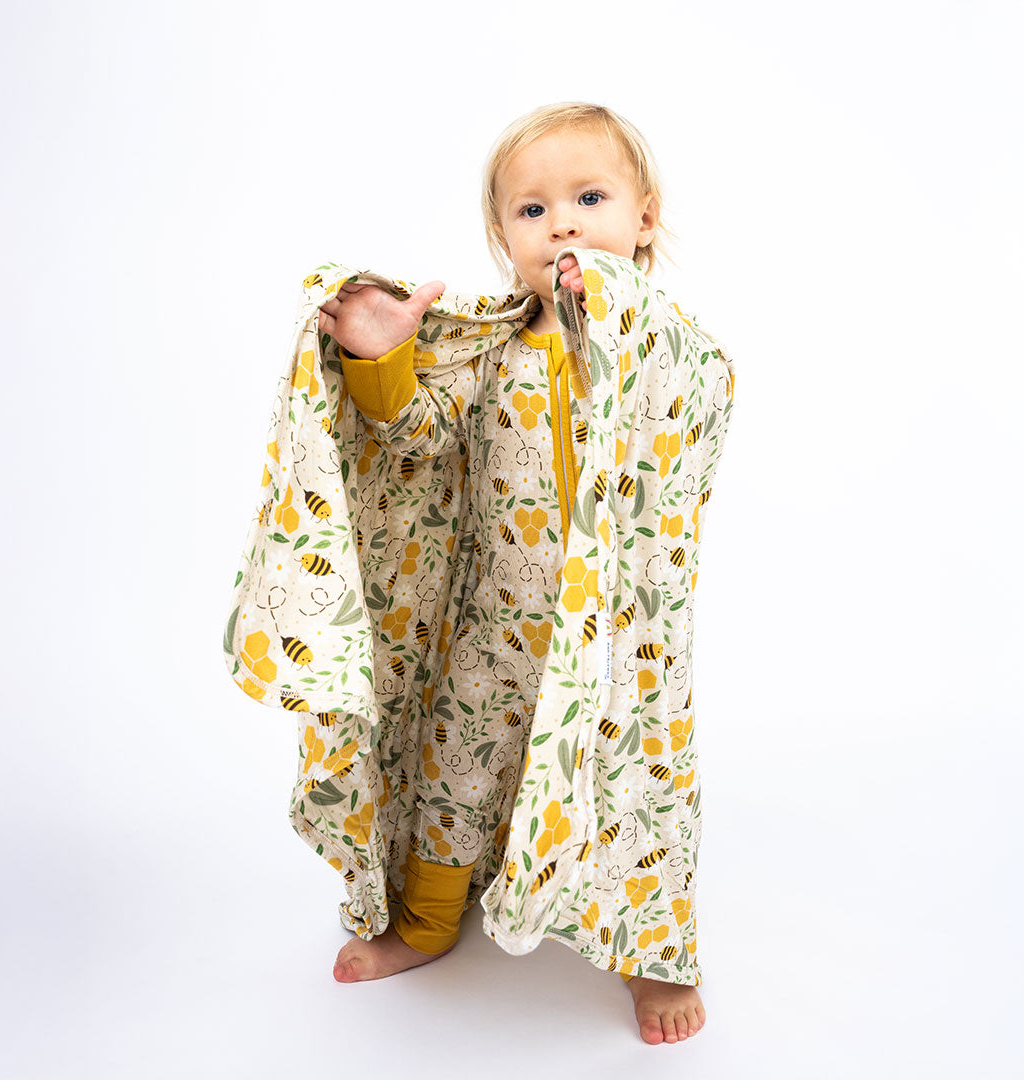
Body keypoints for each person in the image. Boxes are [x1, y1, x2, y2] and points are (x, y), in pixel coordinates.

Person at [318, 102, 709, 1045]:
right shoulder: (491, 352)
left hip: (618, 641)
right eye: (533, 211)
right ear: (502, 238)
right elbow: (416, 442)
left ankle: (651, 957)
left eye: (588, 197)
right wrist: (382, 357)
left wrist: (617, 313)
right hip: (494, 630)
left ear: (644, 219)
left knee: (636, 784)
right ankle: (426, 921)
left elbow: (701, 404)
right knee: (457, 770)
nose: (563, 222)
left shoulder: (660, 341)